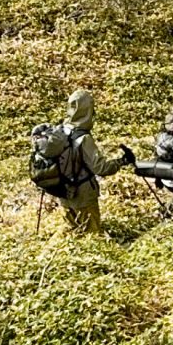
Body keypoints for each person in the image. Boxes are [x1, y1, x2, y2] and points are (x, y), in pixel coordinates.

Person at [28, 89, 128, 236]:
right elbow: (101, 168)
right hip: (83, 196)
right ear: (88, 110)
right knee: (93, 237)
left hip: (64, 195)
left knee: (75, 234)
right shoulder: (83, 138)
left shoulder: (60, 132)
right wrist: (122, 161)